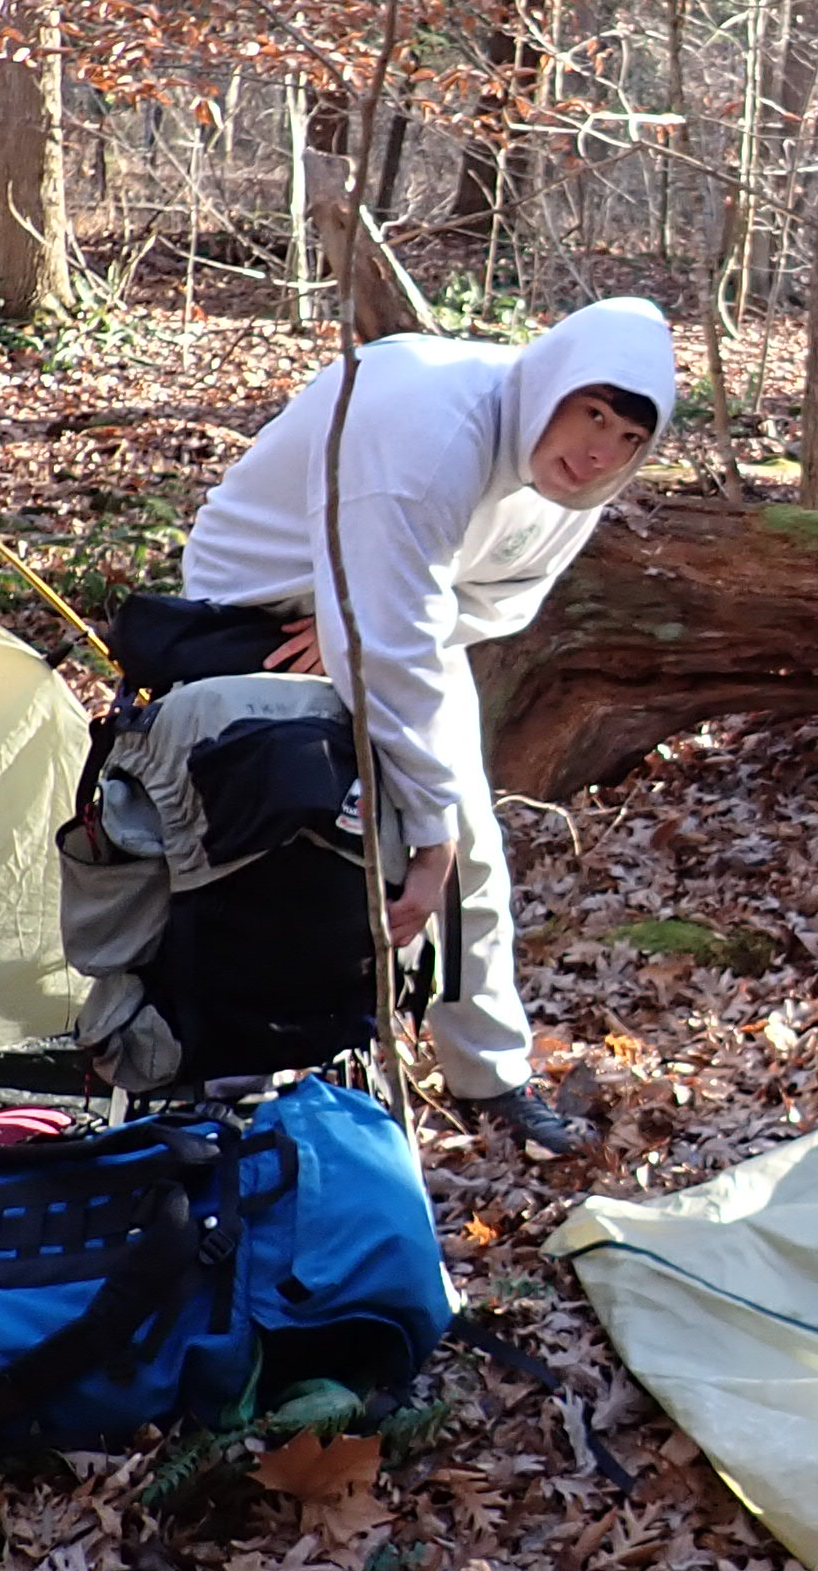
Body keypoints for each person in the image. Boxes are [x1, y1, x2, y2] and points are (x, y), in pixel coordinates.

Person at [181, 296, 678, 1154]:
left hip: (396, 614)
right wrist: (351, 618)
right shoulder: (433, 427)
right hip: (254, 609)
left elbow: (499, 604)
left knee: (469, 847)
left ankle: (490, 1075)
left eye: (628, 437)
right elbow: (381, 629)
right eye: (593, 414)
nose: (601, 450)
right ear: (551, 385)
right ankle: (243, 1076)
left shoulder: (576, 486)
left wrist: (438, 827)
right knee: (294, 827)